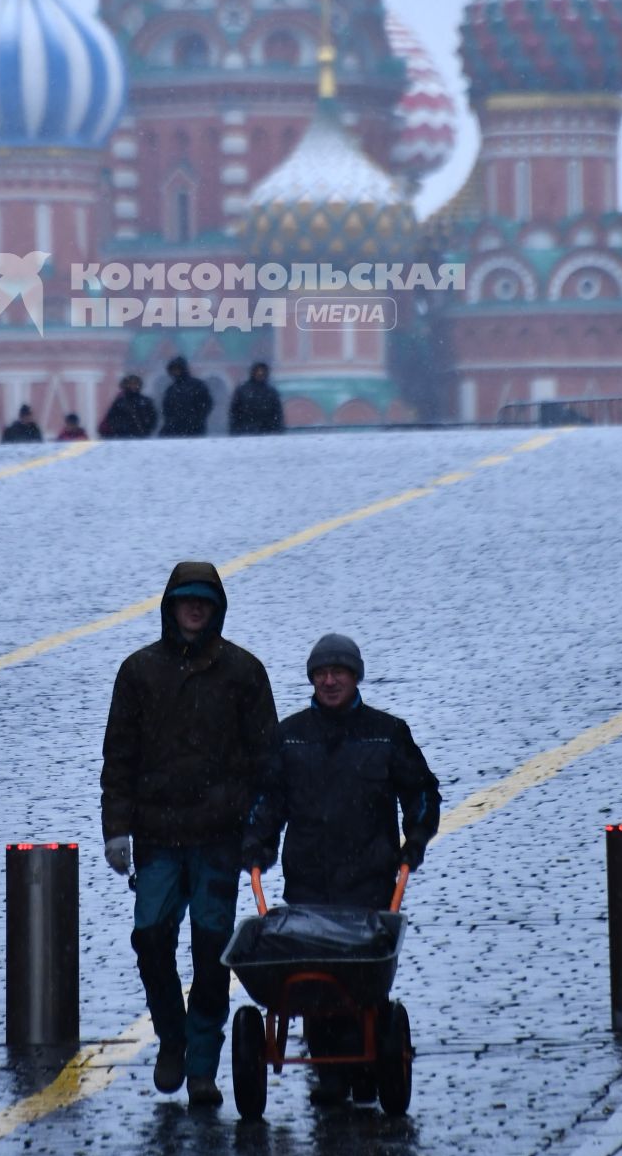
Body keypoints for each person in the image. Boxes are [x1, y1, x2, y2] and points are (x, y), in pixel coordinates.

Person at [101, 562, 277, 1108]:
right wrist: (116, 830)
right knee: (151, 939)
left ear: (216, 607)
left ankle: (202, 1063)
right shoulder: (138, 672)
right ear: (171, 606)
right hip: (156, 837)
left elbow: (267, 762)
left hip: (218, 840)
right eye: (186, 601)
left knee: (210, 952)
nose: (195, 609)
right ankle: (171, 1037)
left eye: (203, 601)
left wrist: (259, 834)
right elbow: (119, 758)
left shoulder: (244, 672)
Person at [242, 632, 441, 1104]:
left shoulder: (387, 733)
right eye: (321, 673)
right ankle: (330, 1068)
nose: (330, 681)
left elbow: (422, 794)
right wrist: (255, 842)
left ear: (355, 677)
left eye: (339, 673)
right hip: (309, 879)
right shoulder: (290, 735)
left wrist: (415, 840)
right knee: (313, 977)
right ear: (312, 678)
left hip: (369, 879)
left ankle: (365, 1060)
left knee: (357, 975)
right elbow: (268, 800)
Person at [158, 356, 214, 438]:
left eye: (178, 369)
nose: (175, 372)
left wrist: (198, 419)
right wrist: (170, 423)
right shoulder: (171, 389)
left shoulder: (197, 385)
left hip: (195, 430)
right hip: (175, 431)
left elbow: (207, 403)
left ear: (183, 369)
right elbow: (166, 409)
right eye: (173, 370)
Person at [228, 361, 285, 436]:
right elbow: (235, 412)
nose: (260, 373)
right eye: (258, 371)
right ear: (253, 372)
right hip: (245, 432)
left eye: (262, 371)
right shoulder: (243, 390)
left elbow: (277, 413)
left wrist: (277, 430)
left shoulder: (271, 392)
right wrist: (235, 430)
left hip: (267, 432)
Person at [98, 373, 157, 440]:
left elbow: (153, 418)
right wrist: (120, 429)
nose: (133, 386)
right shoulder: (119, 402)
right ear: (125, 385)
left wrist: (147, 430)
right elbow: (112, 419)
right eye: (130, 383)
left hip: (141, 436)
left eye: (135, 383)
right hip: (123, 437)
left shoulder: (146, 401)